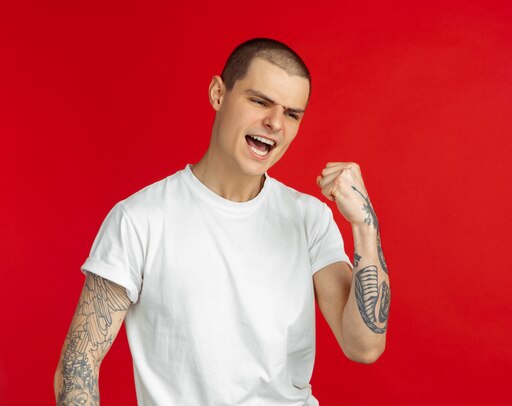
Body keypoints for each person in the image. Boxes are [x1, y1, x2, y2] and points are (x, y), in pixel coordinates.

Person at [54, 38, 391, 406]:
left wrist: (364, 226)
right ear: (218, 94)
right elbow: (79, 363)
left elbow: (364, 346)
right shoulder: (140, 219)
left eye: (292, 114)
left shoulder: (309, 218)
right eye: (259, 101)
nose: (275, 122)